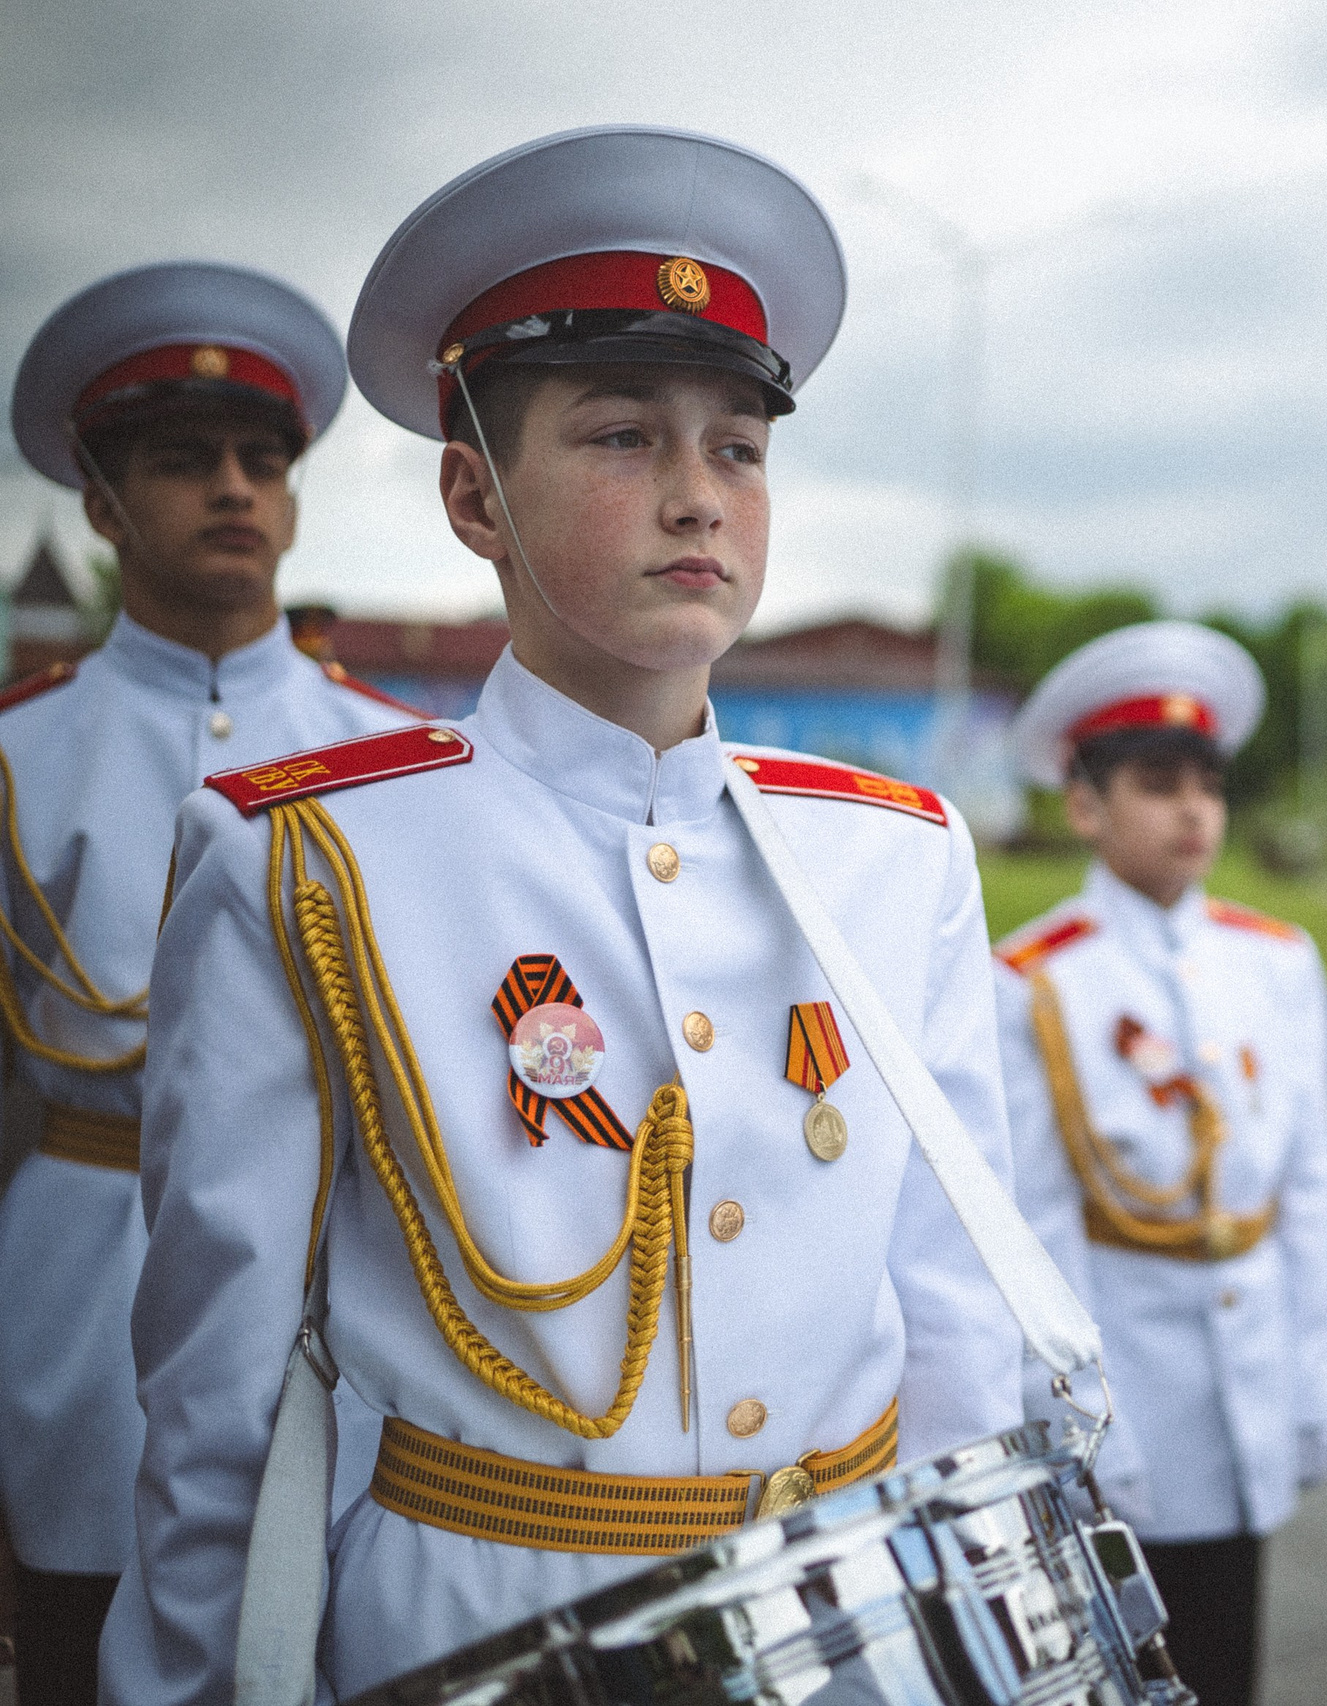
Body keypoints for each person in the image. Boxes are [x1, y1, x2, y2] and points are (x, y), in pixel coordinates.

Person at [101, 127, 1024, 1704]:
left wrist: (981, 1640)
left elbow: (954, 1315)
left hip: (855, 1637)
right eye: (619, 439)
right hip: (478, 1628)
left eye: (738, 447)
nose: (696, 498)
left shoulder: (895, 855)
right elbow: (221, 1401)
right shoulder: (306, 861)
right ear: (475, 496)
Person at [0, 261, 419, 1704]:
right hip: (78, 1262)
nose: (235, 488)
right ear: (102, 507)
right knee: (79, 1634)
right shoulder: (18, 754)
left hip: (338, 1272)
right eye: (184, 462)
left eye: (264, 459)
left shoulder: (397, 759)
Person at [994, 621, 1327, 1706]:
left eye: (1207, 782)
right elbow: (1036, 1227)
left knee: (1231, 1658)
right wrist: (1087, 1422)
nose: (1193, 808)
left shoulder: (1275, 959)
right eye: (1156, 782)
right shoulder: (1036, 980)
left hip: (1249, 1381)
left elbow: (1309, 1187)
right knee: (1136, 1669)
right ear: (1086, 804)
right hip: (1134, 1393)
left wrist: (1314, 1370)